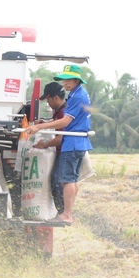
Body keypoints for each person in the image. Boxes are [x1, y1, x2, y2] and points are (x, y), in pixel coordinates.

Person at [26, 64, 92, 226]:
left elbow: (65, 121)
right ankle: (67, 213)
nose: (65, 84)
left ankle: (66, 215)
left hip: (72, 142)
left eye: (68, 80)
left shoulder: (77, 96)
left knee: (66, 180)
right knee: (72, 179)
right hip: (78, 142)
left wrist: (39, 127)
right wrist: (47, 122)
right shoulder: (78, 94)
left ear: (77, 79)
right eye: (63, 80)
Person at [33, 82, 66, 213]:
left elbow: (62, 137)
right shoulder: (59, 111)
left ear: (56, 98)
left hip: (65, 152)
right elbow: (58, 126)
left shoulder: (63, 112)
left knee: (56, 181)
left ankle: (62, 212)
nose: (48, 103)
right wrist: (46, 123)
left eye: (48, 100)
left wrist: (45, 144)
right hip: (61, 151)